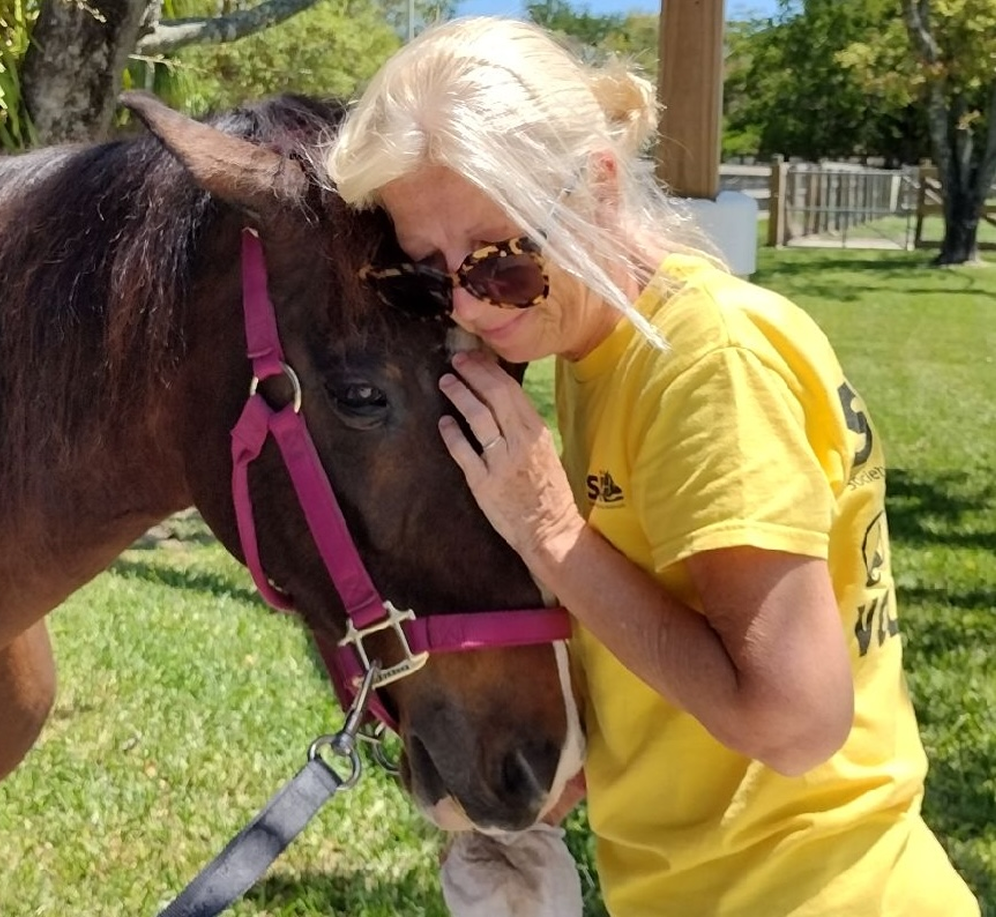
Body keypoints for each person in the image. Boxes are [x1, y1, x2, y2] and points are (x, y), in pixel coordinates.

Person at [325, 16, 979, 917]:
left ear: (595, 184)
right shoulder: (601, 353)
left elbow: (793, 724)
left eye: (503, 258)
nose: (471, 304)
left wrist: (549, 530)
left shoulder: (706, 364)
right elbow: (671, 624)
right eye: (430, 274)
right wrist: (577, 761)